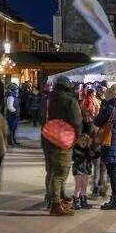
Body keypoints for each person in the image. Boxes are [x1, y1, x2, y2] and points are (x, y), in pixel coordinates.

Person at [42, 75, 82, 216]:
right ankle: (55, 203)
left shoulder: (47, 99)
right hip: (63, 140)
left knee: (51, 170)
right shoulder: (70, 101)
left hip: (47, 138)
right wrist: (76, 138)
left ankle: (51, 197)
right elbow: (77, 122)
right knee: (61, 172)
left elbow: (41, 118)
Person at [94, 84, 116, 210]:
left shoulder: (109, 107)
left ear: (110, 94)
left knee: (113, 171)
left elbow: (97, 121)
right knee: (115, 170)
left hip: (111, 142)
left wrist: (103, 107)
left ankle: (115, 200)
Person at [71, 129, 96, 210]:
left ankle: (83, 201)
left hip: (86, 170)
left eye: (85, 140)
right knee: (78, 186)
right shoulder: (75, 149)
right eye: (82, 140)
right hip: (78, 170)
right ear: (78, 141)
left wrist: (90, 148)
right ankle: (75, 202)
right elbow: (75, 157)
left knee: (84, 186)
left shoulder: (88, 149)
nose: (83, 142)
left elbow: (93, 155)